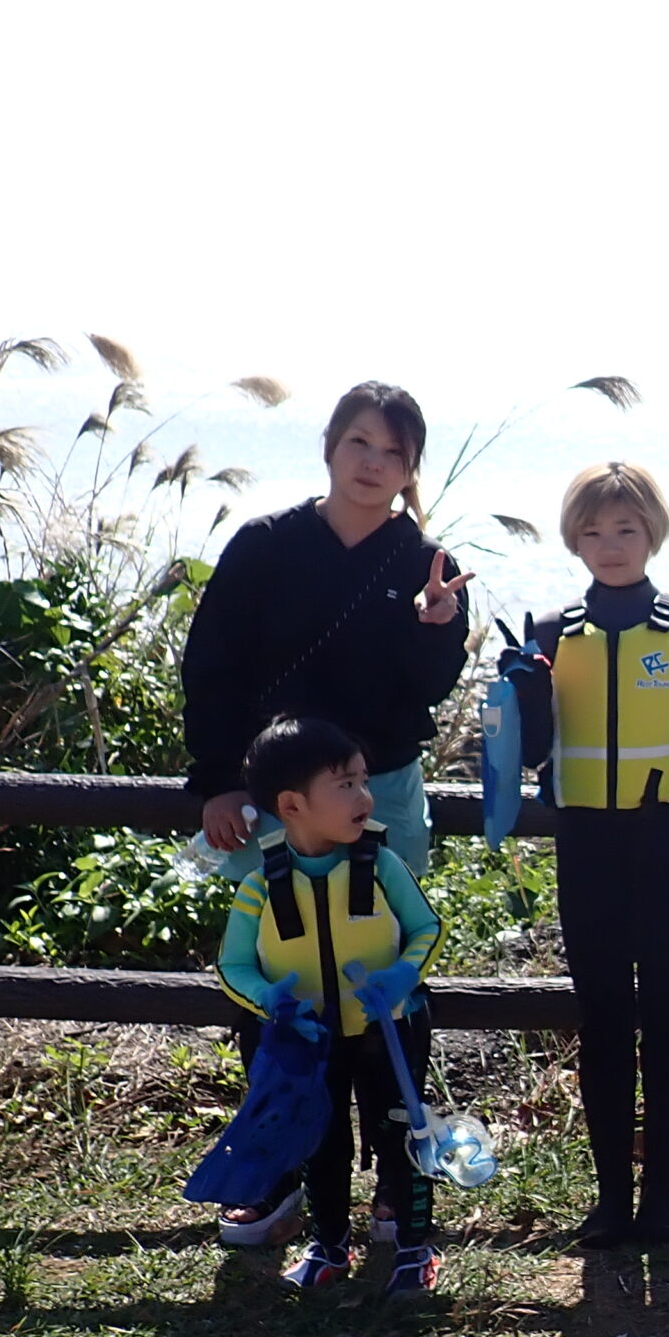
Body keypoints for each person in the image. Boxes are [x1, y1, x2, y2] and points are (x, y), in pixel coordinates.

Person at [181, 381, 470, 1244]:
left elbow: (428, 692)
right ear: (329, 446)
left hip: (383, 794)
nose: (373, 464)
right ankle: (281, 1173)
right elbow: (214, 668)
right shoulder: (266, 546)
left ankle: (394, 1180)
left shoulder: (423, 560)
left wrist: (439, 627)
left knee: (388, 993)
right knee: (276, 992)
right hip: (273, 802)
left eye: (393, 452)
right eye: (359, 444)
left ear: (412, 468)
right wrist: (215, 781)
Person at [499, 461, 669, 1250]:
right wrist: (524, 691)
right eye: (594, 531)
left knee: (668, 1021)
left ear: (652, 534)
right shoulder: (548, 633)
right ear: (574, 537)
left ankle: (663, 1198)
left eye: (627, 530)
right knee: (603, 1020)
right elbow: (532, 751)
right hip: (587, 847)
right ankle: (611, 1198)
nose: (609, 546)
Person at [215, 715, 446, 1297]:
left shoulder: (382, 865)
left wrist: (400, 977)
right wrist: (269, 1000)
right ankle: (329, 1246)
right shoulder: (261, 886)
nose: (365, 797)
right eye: (345, 785)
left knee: (403, 1138)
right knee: (320, 1143)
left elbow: (427, 930)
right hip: (309, 1041)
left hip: (387, 1031)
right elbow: (233, 966)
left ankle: (416, 1248)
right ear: (292, 804)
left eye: (364, 781)